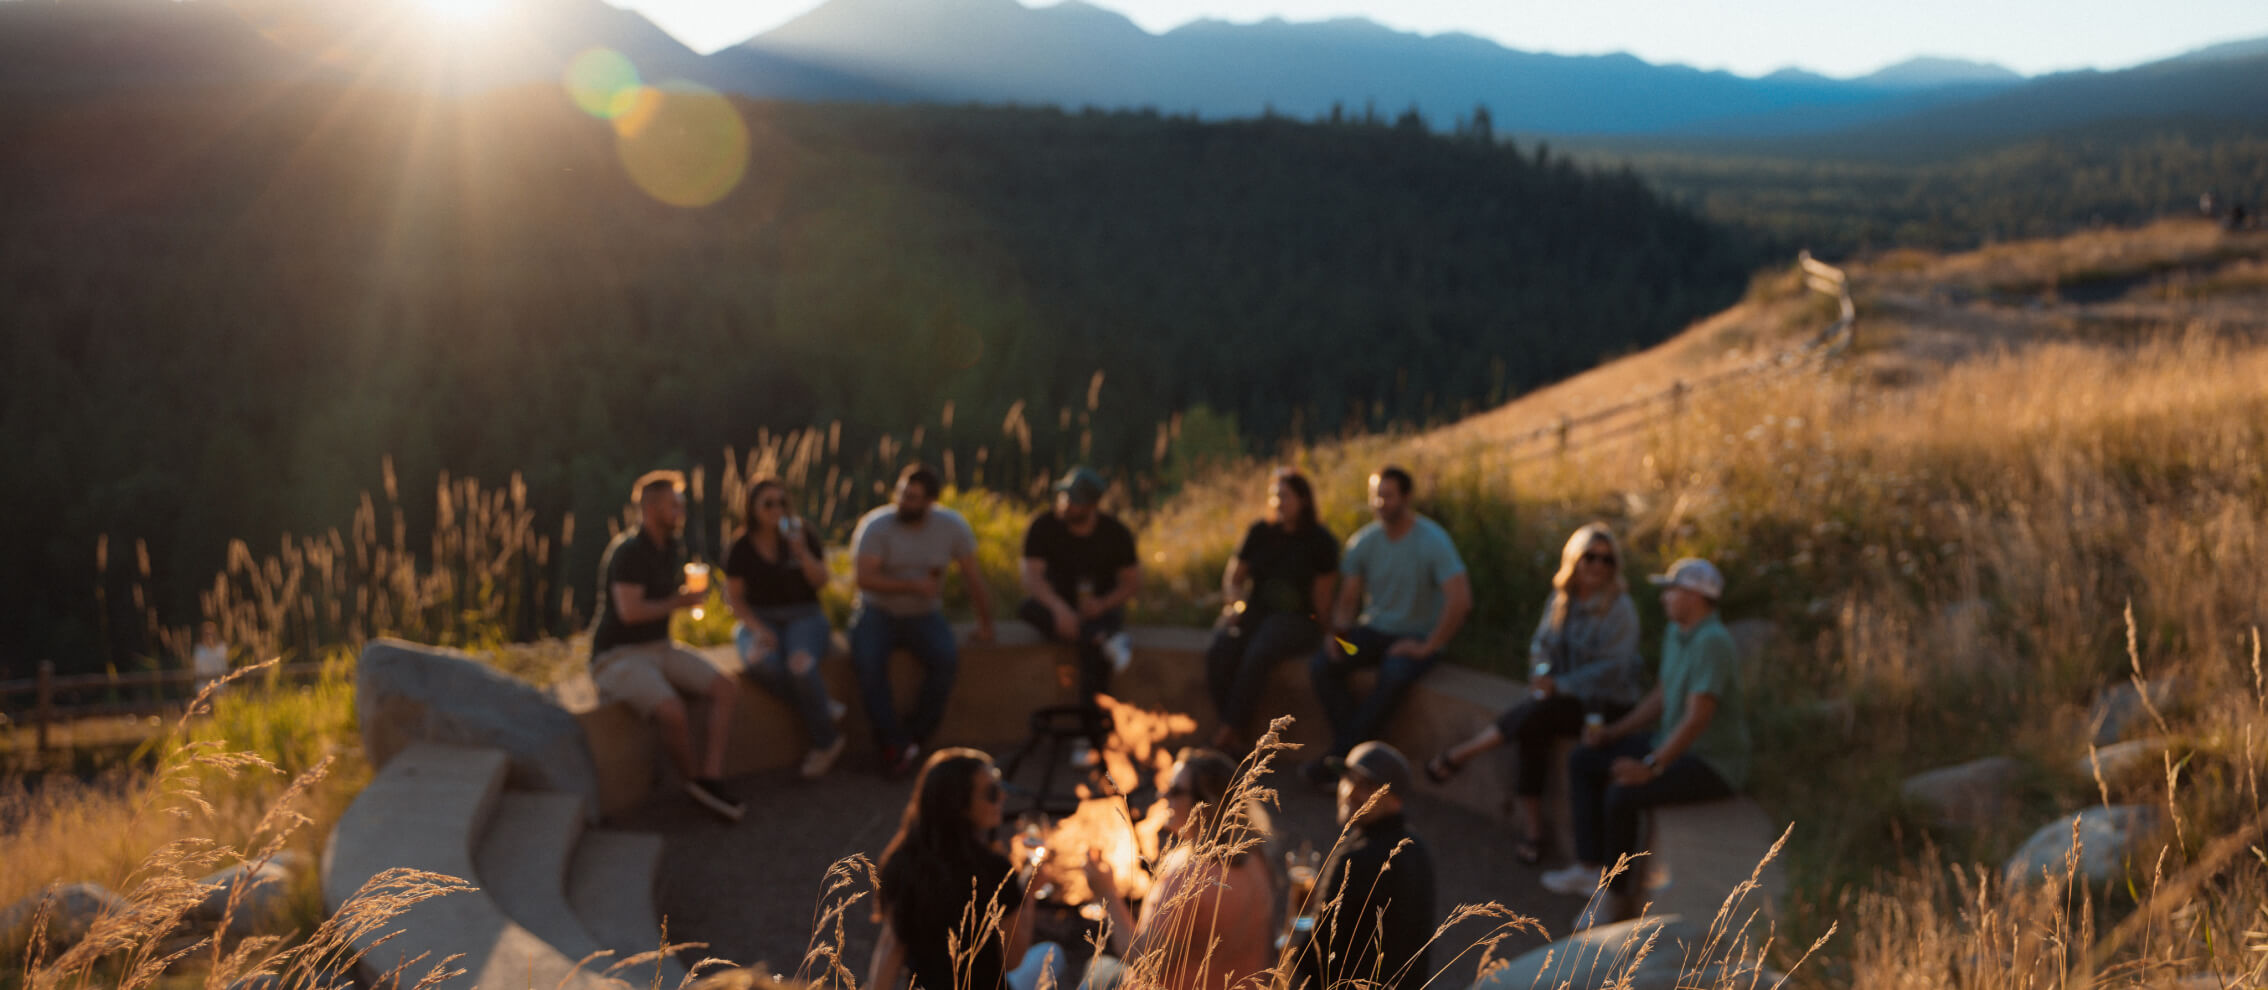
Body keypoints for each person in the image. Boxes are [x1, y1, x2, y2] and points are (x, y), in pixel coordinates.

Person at [1543, 558, 1751, 925]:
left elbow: (1698, 716)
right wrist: (1615, 732)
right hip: (1671, 742)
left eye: (1672, 589)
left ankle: (1614, 898)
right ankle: (1589, 867)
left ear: (1695, 595)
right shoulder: (1678, 632)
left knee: (1623, 793)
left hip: (1711, 763)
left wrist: (1652, 766)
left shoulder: (1713, 642)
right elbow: (1662, 695)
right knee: (1585, 759)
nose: (1665, 598)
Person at [1423, 524, 1643, 864]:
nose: (1598, 565)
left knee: (1537, 716)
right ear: (1574, 559)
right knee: (1532, 730)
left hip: (1606, 704)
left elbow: (1612, 670)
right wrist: (1542, 676)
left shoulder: (1620, 608)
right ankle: (1534, 832)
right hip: (1561, 701)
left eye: (1607, 559)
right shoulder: (1561, 600)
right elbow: (1540, 647)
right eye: (1590, 557)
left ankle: (1460, 755)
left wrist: (1559, 685)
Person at [589, 470, 746, 822]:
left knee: (725, 688)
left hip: (660, 646)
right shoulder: (628, 551)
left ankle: (711, 775)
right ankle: (693, 784)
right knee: (672, 710)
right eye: (673, 504)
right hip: (617, 656)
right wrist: (680, 602)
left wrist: (685, 602)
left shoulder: (670, 547)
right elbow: (629, 613)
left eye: (681, 504)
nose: (680, 511)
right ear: (651, 508)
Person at [1304, 467, 1471, 782]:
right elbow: (1349, 598)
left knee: (1393, 675)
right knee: (1323, 664)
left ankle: (1339, 759)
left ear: (1406, 498)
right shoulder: (1364, 542)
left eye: (1387, 495)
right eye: (1375, 496)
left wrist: (1428, 645)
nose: (1380, 503)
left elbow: (1461, 599)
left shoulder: (1433, 541)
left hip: (1417, 636)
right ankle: (1351, 755)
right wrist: (1338, 635)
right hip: (1374, 632)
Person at [1081, 748, 1276, 990]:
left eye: (1175, 791)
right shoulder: (1255, 858)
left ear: (1206, 804)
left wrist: (1107, 893)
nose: (1162, 794)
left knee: (1094, 969)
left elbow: (1144, 961)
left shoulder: (1188, 879)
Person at [851, 463, 997, 777]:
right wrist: (912, 586)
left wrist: (986, 624)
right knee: (868, 662)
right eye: (902, 493)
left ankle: (916, 737)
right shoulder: (876, 526)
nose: (904, 501)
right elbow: (863, 579)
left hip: (924, 615)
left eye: (913, 497)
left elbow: (973, 578)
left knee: (945, 658)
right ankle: (892, 743)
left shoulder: (951, 527)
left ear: (931, 502)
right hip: (878, 612)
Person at [869, 748, 1041, 990]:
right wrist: (1029, 893)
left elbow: (891, 947)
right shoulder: (994, 870)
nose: (1003, 796)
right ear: (959, 803)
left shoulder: (903, 863)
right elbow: (1013, 961)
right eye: (991, 792)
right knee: (1052, 953)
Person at [723, 477, 847, 780]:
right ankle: (820, 704)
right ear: (752, 508)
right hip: (762, 618)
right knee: (758, 662)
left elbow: (821, 581)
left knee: (801, 666)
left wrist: (801, 552)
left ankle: (826, 742)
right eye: (768, 503)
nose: (776, 509)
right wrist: (757, 628)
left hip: (805, 616)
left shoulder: (801, 533)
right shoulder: (740, 547)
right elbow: (735, 599)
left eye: (781, 502)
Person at [1205, 469, 1338, 751]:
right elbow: (1234, 576)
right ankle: (1234, 730)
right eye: (1274, 496)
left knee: (1260, 650)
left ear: (1303, 500)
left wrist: (1329, 632)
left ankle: (1227, 734)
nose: (1278, 502)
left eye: (1284, 496)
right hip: (1256, 612)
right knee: (1221, 647)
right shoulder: (1260, 532)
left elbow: (1323, 596)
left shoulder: (1321, 541)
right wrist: (1233, 605)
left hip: (1300, 620)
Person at [1016, 466, 1140, 748]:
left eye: (1073, 500)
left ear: (1092, 505)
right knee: (1028, 610)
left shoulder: (1115, 533)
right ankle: (1103, 640)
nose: (1065, 504)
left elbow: (1133, 583)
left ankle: (1090, 737)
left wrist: (1103, 604)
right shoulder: (1044, 525)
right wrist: (1059, 609)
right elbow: (1031, 576)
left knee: (1093, 655)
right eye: (1064, 497)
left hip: (1100, 608)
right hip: (1056, 605)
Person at [1304, 741, 1436, 990]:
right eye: (1347, 778)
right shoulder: (1418, 849)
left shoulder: (1356, 858)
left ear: (1396, 800)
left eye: (1366, 786)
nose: (1349, 792)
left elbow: (1314, 957)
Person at [191, 620, 230, 695]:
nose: (209, 636)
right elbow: (197, 671)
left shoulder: (223, 648)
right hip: (203, 688)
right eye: (207, 634)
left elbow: (224, 668)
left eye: (212, 634)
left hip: (220, 687)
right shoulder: (199, 650)